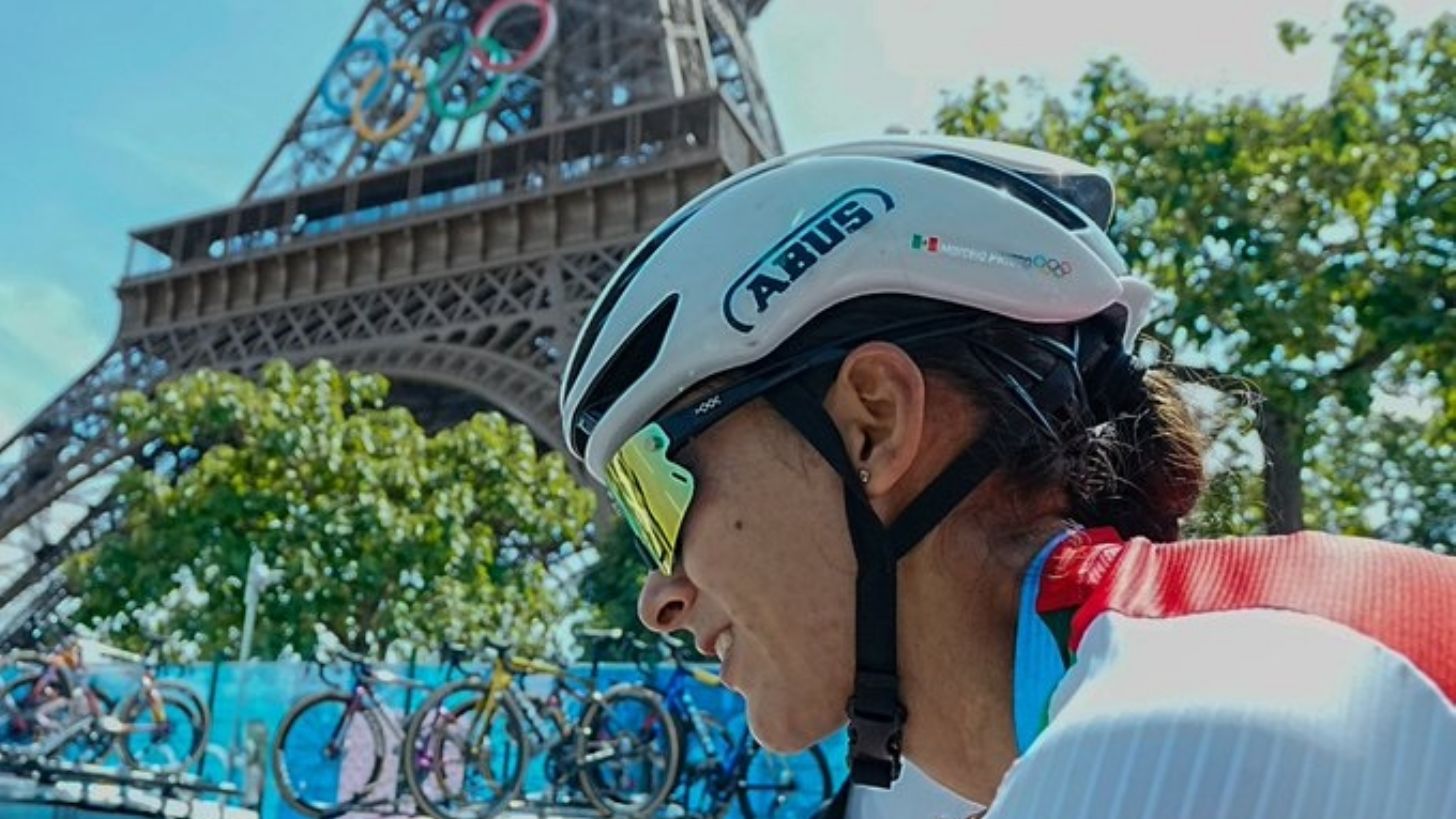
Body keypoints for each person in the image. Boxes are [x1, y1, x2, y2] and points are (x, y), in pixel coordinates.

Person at [557, 135, 1456, 816]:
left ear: (872, 424)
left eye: (656, 488)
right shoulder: (1189, 664)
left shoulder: (1169, 730)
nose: (658, 597)